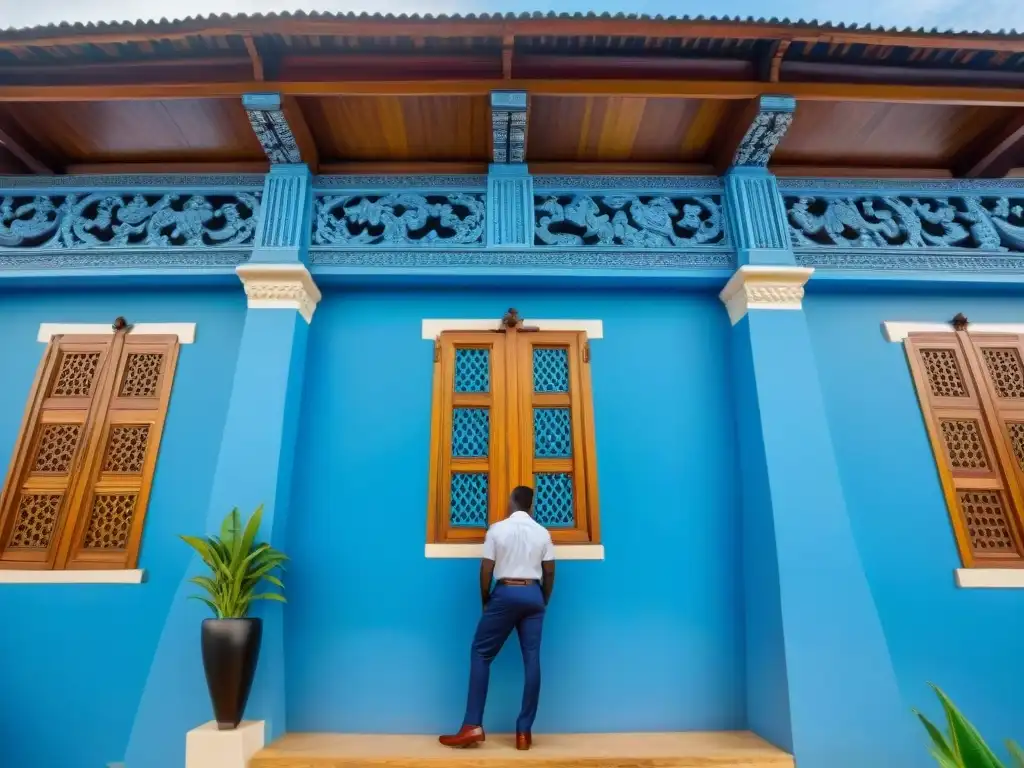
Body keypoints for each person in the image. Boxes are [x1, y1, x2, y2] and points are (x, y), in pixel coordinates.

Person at [439, 485, 556, 751]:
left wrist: (486, 600)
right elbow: (549, 572)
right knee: (532, 659)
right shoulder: (543, 533)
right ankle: (524, 732)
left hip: (505, 592)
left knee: (481, 653)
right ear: (531, 506)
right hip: (533, 594)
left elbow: (486, 568)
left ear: (511, 502)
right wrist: (542, 600)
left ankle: (472, 726)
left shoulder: (497, 530)